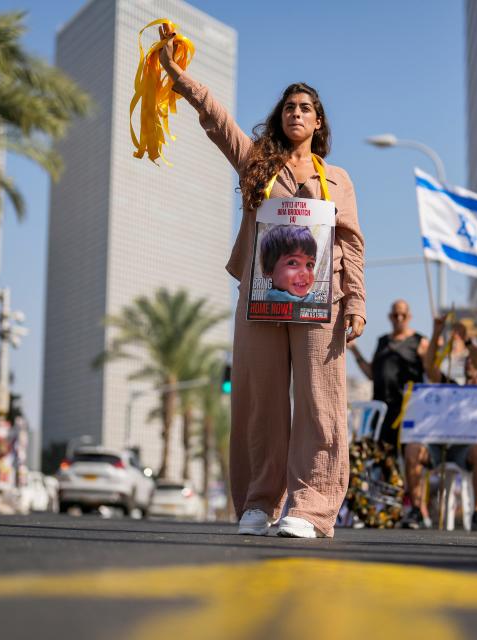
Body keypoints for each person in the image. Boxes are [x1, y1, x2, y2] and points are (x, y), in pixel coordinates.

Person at [159, 26, 365, 539]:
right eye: (289, 107)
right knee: (259, 400)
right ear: (281, 118)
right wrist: (178, 77)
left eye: (305, 108)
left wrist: (356, 301)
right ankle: (258, 503)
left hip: (323, 300)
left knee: (321, 401)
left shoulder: (337, 178)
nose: (295, 113)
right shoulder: (258, 163)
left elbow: (352, 242)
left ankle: (311, 506)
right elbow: (219, 121)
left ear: (318, 122)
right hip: (262, 298)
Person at [402, 316, 477, 531]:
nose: (470, 361)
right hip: (438, 445)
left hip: (466, 448)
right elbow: (429, 365)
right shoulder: (451, 387)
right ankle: (415, 510)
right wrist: (437, 332)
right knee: (412, 450)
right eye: (468, 359)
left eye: (476, 359)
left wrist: (467, 341)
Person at [349, 300, 428, 448]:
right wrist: (354, 350)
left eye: (403, 315)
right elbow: (371, 374)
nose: (399, 318)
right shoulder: (382, 341)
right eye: (395, 315)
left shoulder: (419, 342)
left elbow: (430, 371)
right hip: (381, 411)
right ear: (390, 317)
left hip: (406, 412)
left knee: (407, 459)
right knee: (381, 459)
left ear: (409, 317)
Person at [260, 225, 318, 302]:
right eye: (293, 263)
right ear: (269, 270)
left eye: (309, 264)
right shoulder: (275, 299)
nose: (305, 273)